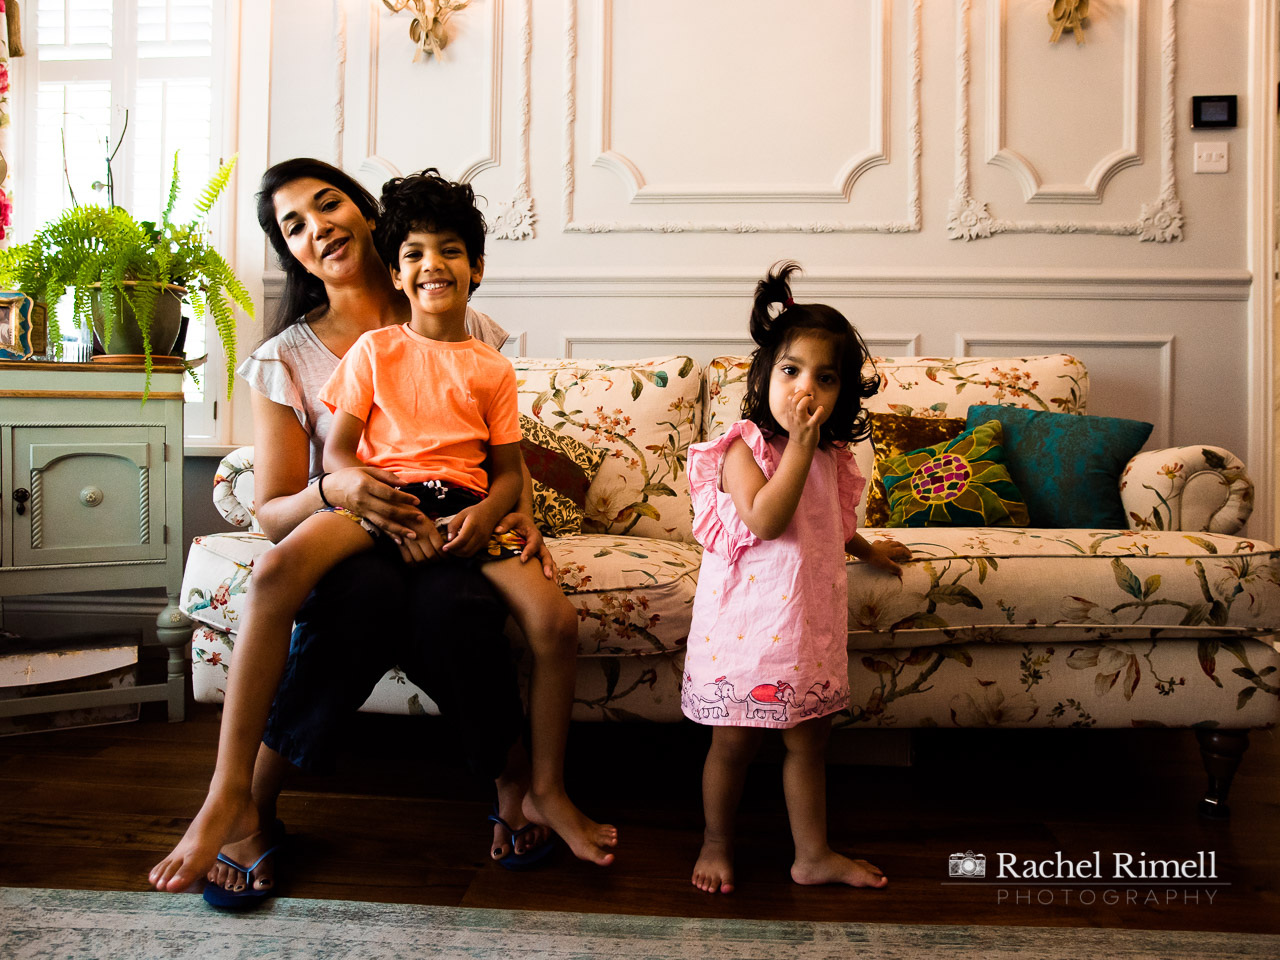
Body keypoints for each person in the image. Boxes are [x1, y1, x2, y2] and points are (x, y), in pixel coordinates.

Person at [149, 159, 557, 903]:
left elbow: (500, 447)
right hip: (354, 534)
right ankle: (246, 804)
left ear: (368, 213)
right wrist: (335, 485)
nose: (316, 228)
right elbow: (269, 510)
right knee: (360, 599)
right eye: (292, 225)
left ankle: (514, 781)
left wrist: (517, 506)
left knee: (454, 607)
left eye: (327, 203)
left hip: (447, 529)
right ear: (290, 252)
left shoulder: (460, 321)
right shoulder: (287, 357)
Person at [681, 261, 910, 895]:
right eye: (791, 370)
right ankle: (716, 841)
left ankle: (812, 854)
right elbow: (768, 517)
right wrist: (802, 449)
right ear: (764, 375)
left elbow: (827, 521)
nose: (805, 388)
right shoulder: (741, 448)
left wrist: (867, 548)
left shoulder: (830, 456)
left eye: (825, 377)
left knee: (809, 741)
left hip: (806, 625)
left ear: (844, 392)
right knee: (735, 743)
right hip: (749, 632)